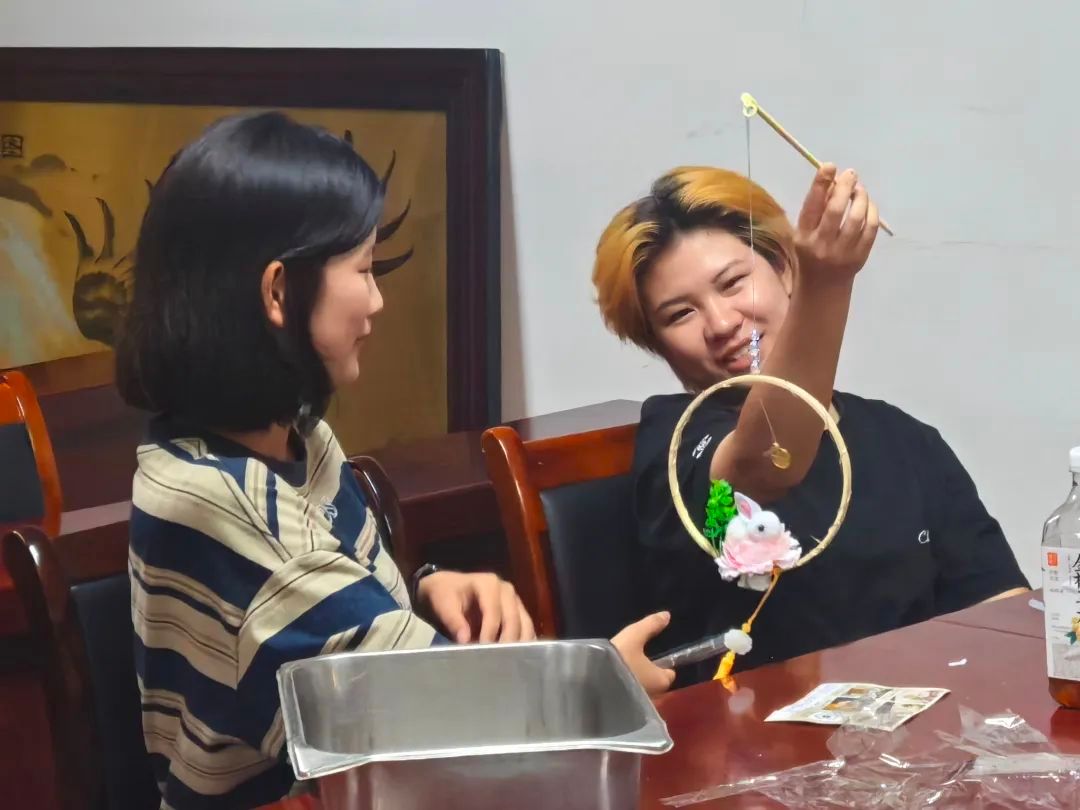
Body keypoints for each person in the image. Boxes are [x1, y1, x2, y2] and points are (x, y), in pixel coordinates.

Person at [117, 111, 674, 810]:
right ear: (278, 292)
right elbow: (432, 719)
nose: (377, 301)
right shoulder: (228, 510)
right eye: (364, 269)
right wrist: (605, 695)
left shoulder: (285, 439)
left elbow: (325, 619)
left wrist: (422, 588)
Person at [592, 164, 1029, 685]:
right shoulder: (673, 440)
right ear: (658, 344)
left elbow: (1002, 613)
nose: (722, 323)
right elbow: (768, 463)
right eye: (680, 314)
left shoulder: (905, 439)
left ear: (784, 269)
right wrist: (826, 283)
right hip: (752, 730)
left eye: (733, 283)